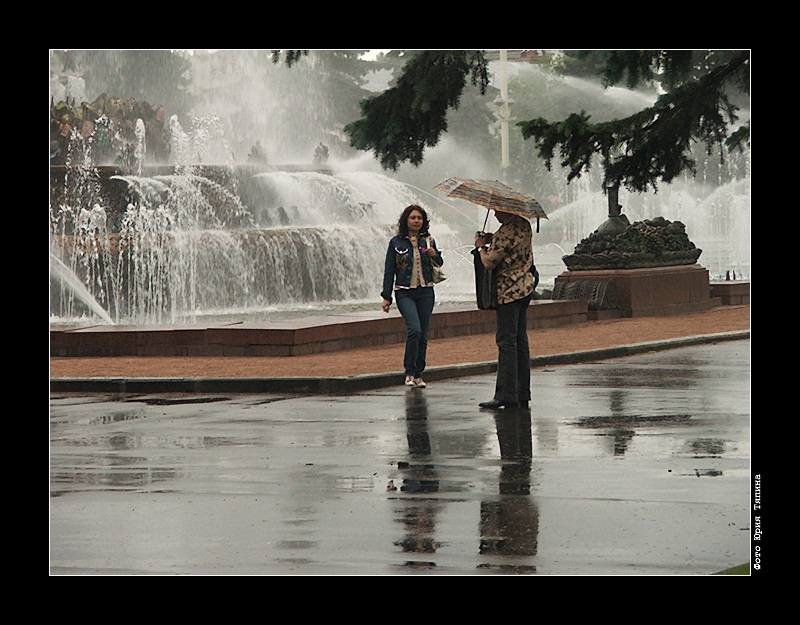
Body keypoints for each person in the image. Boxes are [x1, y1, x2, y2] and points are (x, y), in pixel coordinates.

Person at [474, 210, 534, 409]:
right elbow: (512, 246)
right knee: (520, 341)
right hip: (525, 288)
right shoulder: (523, 224)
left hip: (508, 292)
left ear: (505, 209)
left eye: (497, 211)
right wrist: (494, 238)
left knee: (506, 341)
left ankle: (506, 394)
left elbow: (489, 263)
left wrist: (481, 247)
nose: (495, 215)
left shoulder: (506, 231)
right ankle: (522, 391)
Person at [382, 205, 443, 388]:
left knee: (423, 334)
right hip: (404, 292)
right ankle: (409, 372)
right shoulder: (396, 243)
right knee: (414, 329)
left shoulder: (429, 241)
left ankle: (418, 374)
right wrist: (386, 296)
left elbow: (439, 263)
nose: (416, 221)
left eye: (419, 218)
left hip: (426, 292)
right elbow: (389, 270)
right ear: (406, 220)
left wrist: (435, 254)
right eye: (413, 218)